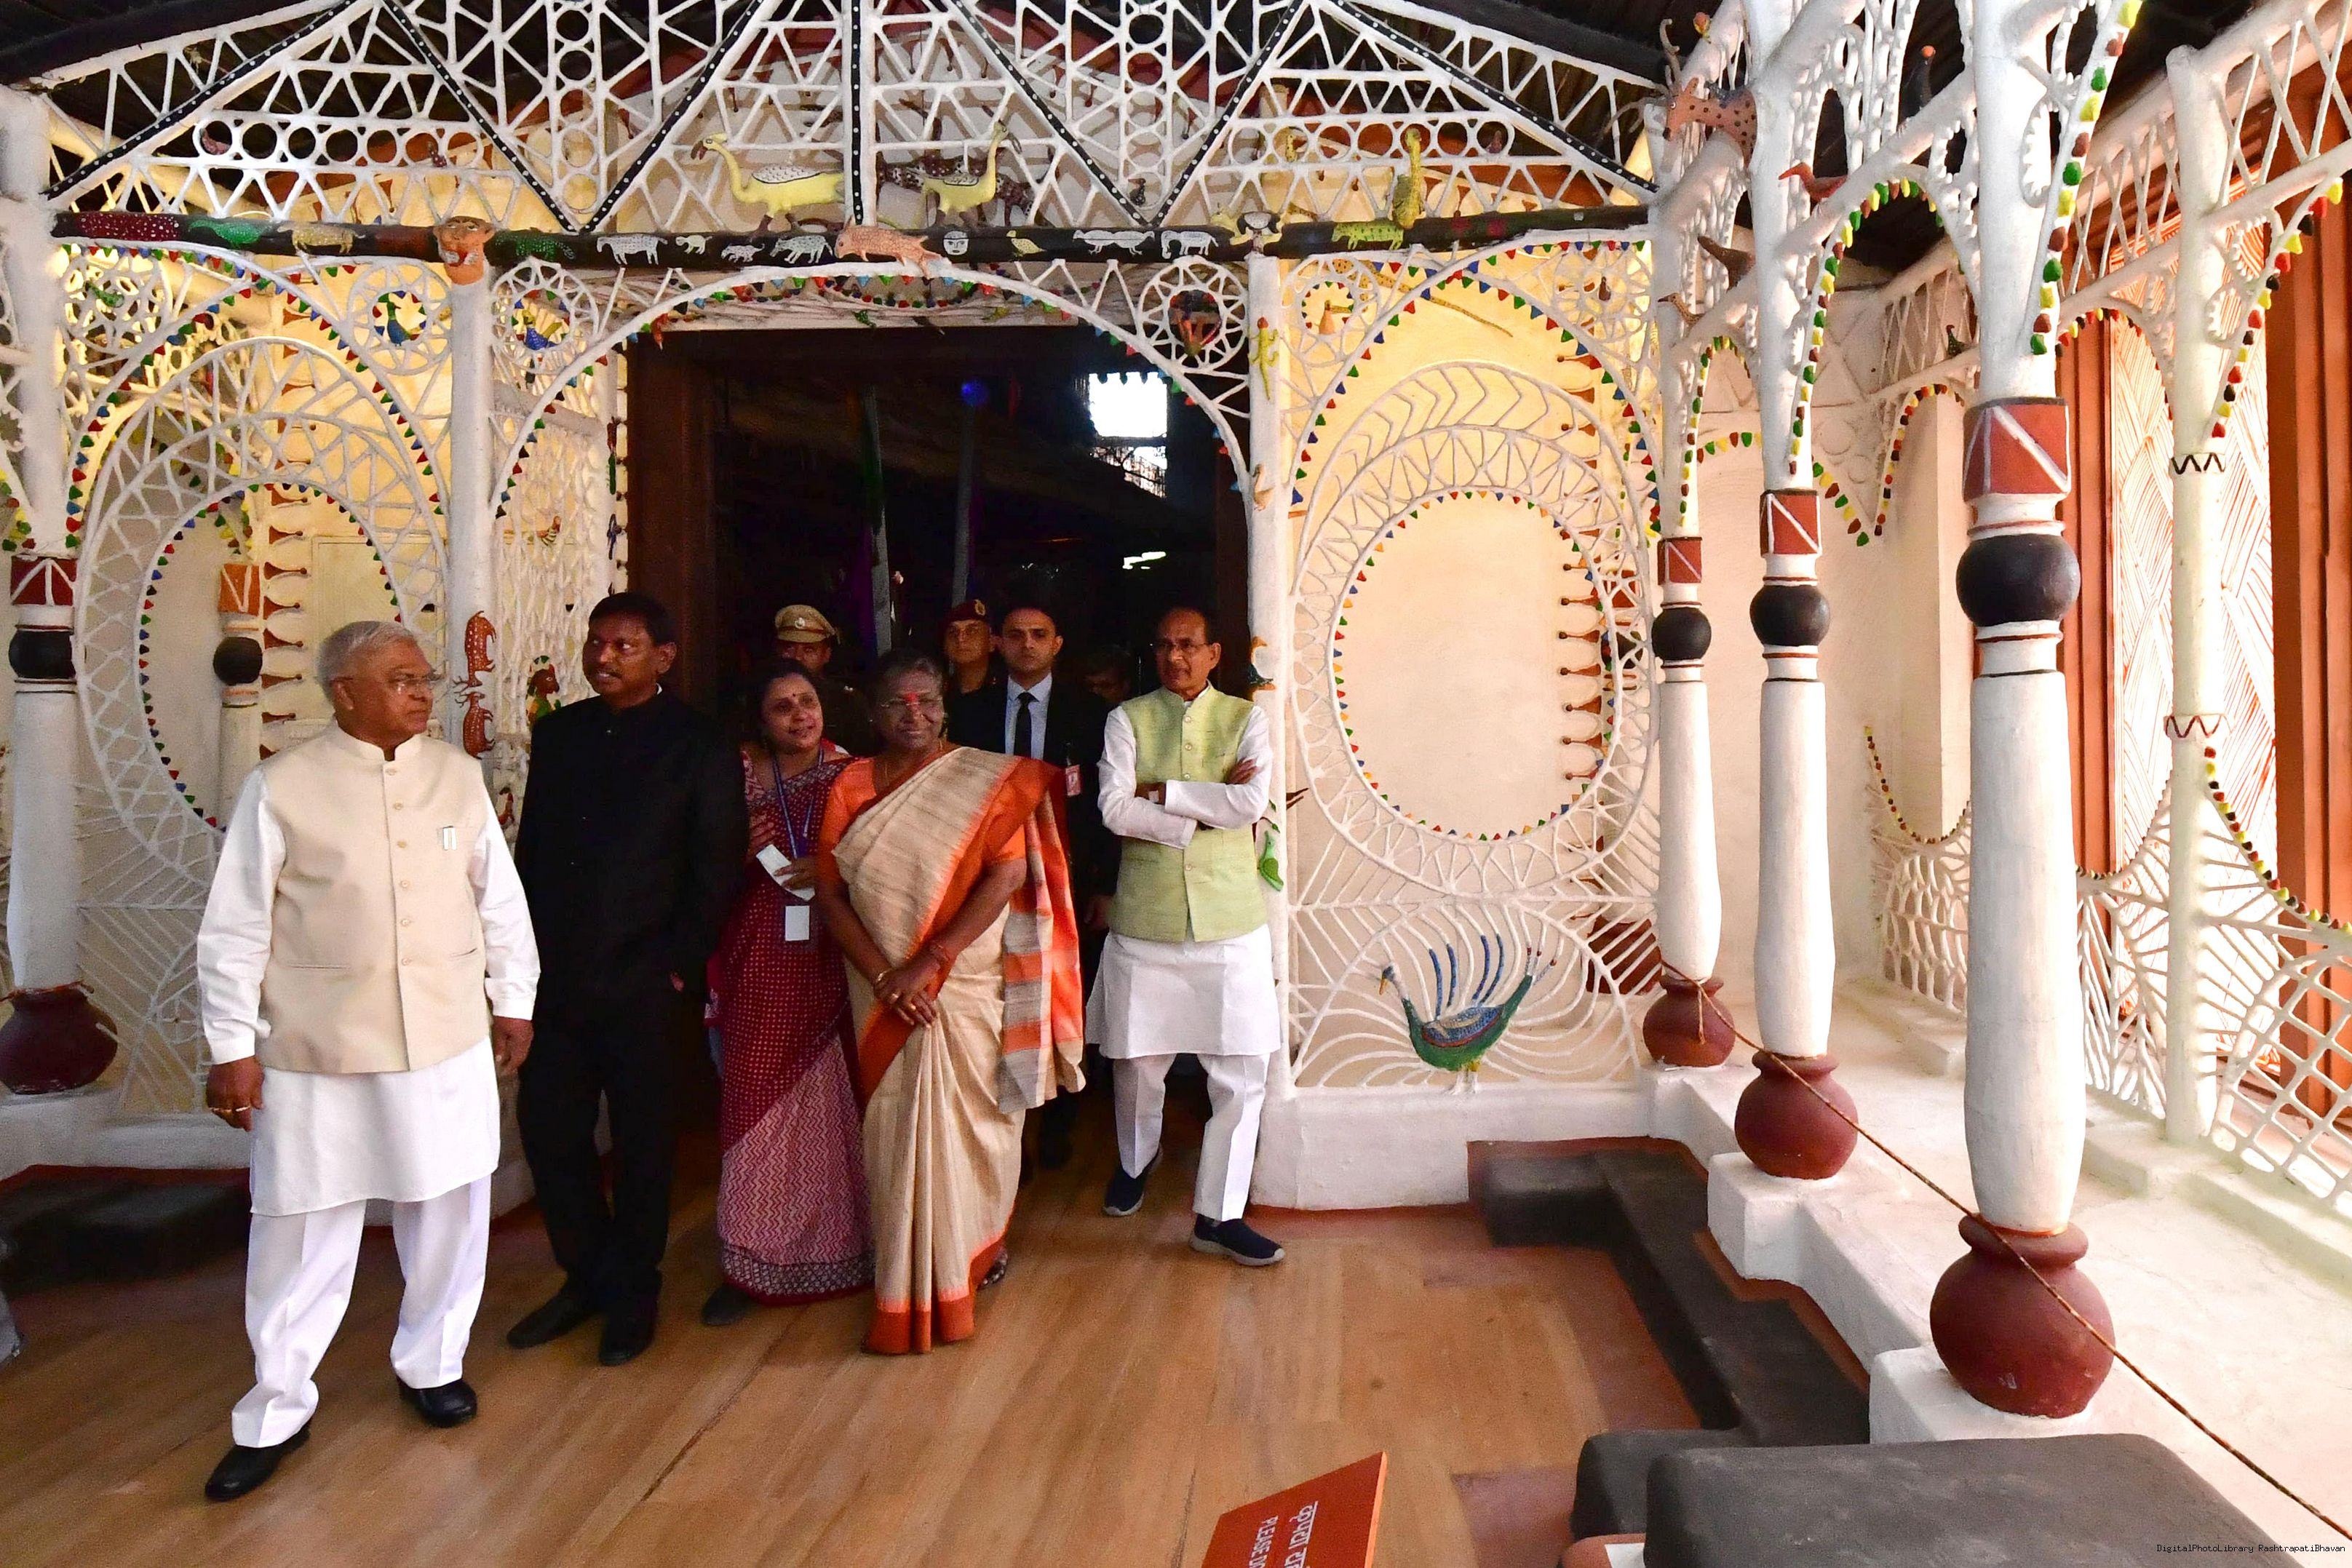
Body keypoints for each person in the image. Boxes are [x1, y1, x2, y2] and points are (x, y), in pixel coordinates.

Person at [194, 620, 539, 1501]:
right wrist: (231, 1047)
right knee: (302, 1223)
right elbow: (235, 927)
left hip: (445, 1033)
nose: (422, 694)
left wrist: (514, 999)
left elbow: (499, 900)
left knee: (450, 1204)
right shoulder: (282, 785)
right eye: (400, 680)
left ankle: (434, 1365)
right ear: (343, 692)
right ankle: (275, 1408)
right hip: (316, 1044)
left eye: (425, 679)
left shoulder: (456, 776)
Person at [812, 650, 1085, 1354]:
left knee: (977, 1117)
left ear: (944, 708)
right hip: (880, 987)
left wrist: (930, 962)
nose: (915, 715)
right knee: (894, 1123)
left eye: (927, 701)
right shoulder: (850, 784)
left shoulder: (984, 780)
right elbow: (831, 895)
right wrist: (886, 977)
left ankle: (974, 1246)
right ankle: (903, 1266)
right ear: (874, 714)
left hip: (961, 979)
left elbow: (1007, 874)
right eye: (898, 703)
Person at [509, 592, 747, 1365]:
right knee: (552, 1132)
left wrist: (679, 965)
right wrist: (516, 963)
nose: (603, 657)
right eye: (596, 642)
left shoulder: (699, 743)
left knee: (644, 1142)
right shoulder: (561, 734)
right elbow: (533, 853)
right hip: (555, 977)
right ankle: (586, 1276)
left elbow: (717, 865)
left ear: (663, 657)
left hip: (647, 979)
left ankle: (635, 1290)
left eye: (624, 645)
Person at [1091, 607, 1284, 1266]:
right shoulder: (1127, 718)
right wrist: (1200, 812)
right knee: (1137, 1061)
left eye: (1189, 645)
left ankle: (1219, 1215)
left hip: (1230, 919)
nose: (1176, 657)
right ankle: (1134, 1161)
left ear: (1214, 653)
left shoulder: (1246, 719)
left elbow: (1249, 804)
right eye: (1165, 645)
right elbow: (1112, 808)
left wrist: (1164, 792)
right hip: (1147, 917)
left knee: (1242, 1070)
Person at [702, 663, 873, 1326]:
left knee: (837, 1094)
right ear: (761, 720)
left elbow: (882, 860)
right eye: (783, 707)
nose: (800, 715)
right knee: (752, 1095)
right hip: (757, 953)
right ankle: (751, 1258)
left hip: (831, 950)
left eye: (808, 701)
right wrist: (734, 852)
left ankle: (844, 1248)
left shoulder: (852, 775)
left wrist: (829, 866)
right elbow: (697, 865)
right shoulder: (737, 776)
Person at [947, 601, 1114, 1170]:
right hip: (988, 878)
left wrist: (1105, 884)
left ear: (1057, 643)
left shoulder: (1092, 714)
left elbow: (1104, 805)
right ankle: (1004, 1132)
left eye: (1039, 634)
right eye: (1015, 634)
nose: (1027, 644)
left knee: (1063, 999)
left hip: (1069, 875)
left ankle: (1059, 1123)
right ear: (997, 642)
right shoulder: (968, 713)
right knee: (997, 999)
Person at [776, 602, 875, 755]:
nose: (797, 657)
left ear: (826, 655)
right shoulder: (763, 699)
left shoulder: (848, 702)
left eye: (809, 650)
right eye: (789, 648)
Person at [941, 599, 995, 696]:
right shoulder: (937, 692)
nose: (960, 639)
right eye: (953, 632)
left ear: (991, 642)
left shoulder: (1008, 692)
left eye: (972, 631)